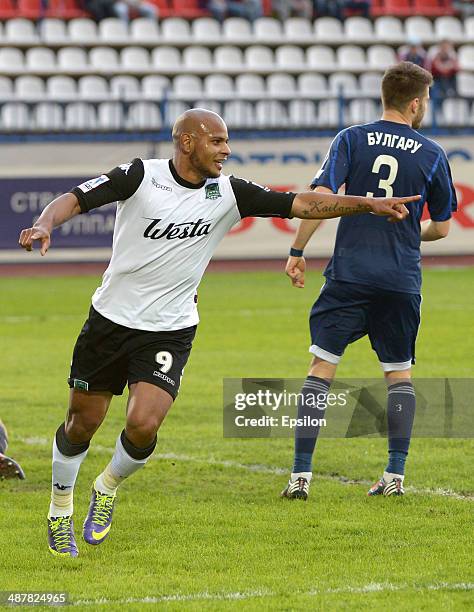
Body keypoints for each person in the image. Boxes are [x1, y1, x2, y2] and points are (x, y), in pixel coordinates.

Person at [19, 109, 418, 558]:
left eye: (227, 142)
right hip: (109, 321)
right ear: (187, 142)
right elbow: (74, 198)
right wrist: (45, 224)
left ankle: (107, 485)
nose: (226, 150)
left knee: (143, 423)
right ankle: (58, 511)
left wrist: (367, 203)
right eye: (217, 141)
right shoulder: (139, 175)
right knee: (82, 424)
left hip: (170, 330)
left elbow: (301, 204)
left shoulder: (229, 192)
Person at [281, 62, 456, 501]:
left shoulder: (351, 139)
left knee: (321, 368)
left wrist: (297, 252)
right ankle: (394, 477)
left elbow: (319, 200)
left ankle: (300, 478)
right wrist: (404, 229)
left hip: (350, 275)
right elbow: (442, 229)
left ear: (386, 97)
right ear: (415, 103)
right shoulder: (433, 153)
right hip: (400, 279)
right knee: (399, 376)